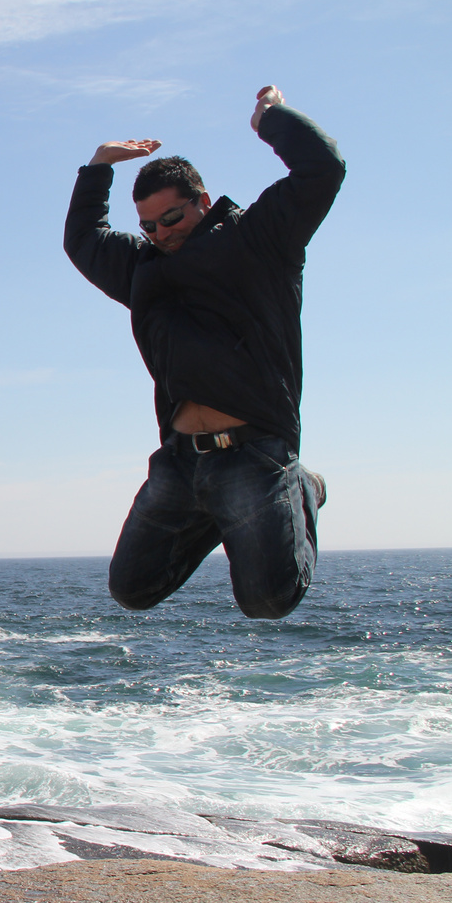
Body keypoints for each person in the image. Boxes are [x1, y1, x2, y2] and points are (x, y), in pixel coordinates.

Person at [63, 86, 345, 618]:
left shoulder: (260, 240)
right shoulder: (140, 267)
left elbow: (323, 170)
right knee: (132, 589)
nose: (161, 233)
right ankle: (222, 515)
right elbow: (83, 239)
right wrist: (99, 166)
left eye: (172, 218)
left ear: (203, 201)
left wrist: (274, 121)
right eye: (148, 225)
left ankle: (301, 488)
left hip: (253, 453)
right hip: (179, 461)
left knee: (267, 601)